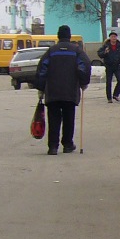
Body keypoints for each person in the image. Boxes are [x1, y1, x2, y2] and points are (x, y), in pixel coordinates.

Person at [34, 25, 91, 155]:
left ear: (58, 36)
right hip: (70, 91)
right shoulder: (76, 51)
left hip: (53, 91)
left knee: (53, 118)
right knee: (69, 118)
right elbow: (85, 66)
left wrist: (40, 87)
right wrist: (84, 82)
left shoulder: (51, 51)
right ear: (69, 36)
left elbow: (42, 69)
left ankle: (53, 147)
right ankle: (67, 144)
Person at [97, 31, 120, 103]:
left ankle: (116, 95)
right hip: (109, 66)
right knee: (108, 82)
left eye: (115, 36)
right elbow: (100, 54)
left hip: (117, 66)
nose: (113, 38)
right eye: (112, 37)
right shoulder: (106, 46)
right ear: (110, 38)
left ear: (116, 38)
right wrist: (105, 52)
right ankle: (109, 98)